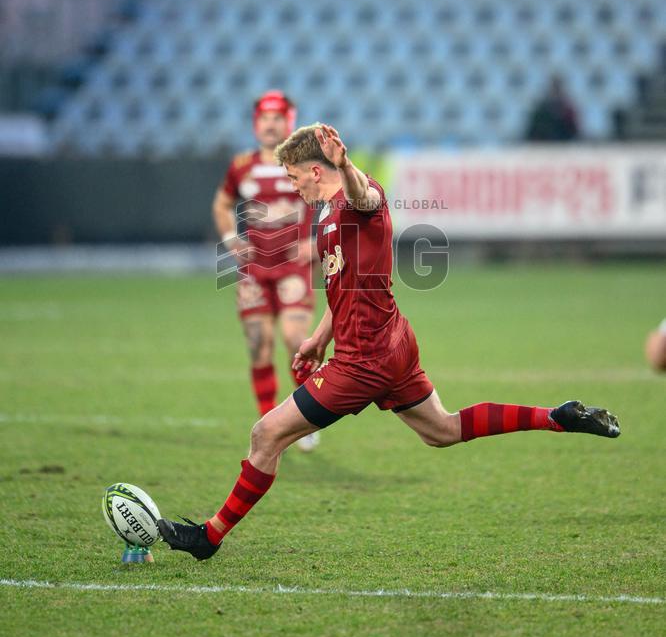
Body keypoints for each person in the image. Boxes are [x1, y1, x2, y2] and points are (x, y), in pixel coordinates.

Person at [159, 123, 620, 560]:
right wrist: (320, 337)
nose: (292, 185)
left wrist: (350, 166)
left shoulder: (361, 199)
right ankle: (556, 418)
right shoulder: (325, 218)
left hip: (364, 361)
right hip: (392, 342)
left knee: (266, 435)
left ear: (317, 170)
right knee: (443, 430)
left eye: (294, 176)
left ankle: (209, 536)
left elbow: (364, 194)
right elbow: (344, 286)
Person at [212, 90, 319, 451]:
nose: (270, 124)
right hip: (254, 270)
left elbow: (337, 200)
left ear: (290, 122)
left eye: (277, 118)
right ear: (255, 124)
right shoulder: (241, 165)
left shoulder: (306, 163)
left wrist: (316, 241)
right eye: (264, 118)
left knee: (294, 342)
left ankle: (305, 419)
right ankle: (268, 422)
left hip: (293, 267)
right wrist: (230, 239)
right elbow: (223, 203)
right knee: (259, 345)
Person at [525, 75, 579, 142]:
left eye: (557, 88)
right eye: (553, 88)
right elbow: (533, 133)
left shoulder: (568, 110)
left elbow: (574, 133)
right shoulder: (541, 110)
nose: (555, 92)